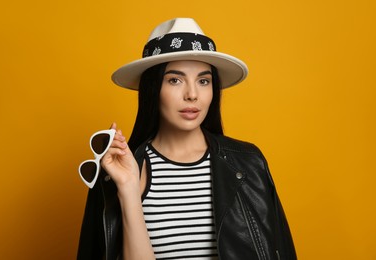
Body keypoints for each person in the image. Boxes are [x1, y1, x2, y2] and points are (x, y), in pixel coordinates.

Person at [77, 18, 296, 260]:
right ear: (152, 88)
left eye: (204, 81)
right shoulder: (115, 174)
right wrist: (128, 190)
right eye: (175, 80)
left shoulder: (249, 163)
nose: (192, 94)